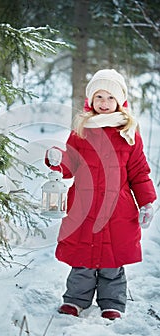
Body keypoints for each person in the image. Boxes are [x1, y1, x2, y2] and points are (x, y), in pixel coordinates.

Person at [45, 69, 157, 320]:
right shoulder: (81, 130)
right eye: (99, 97)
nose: (104, 103)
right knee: (82, 258)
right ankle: (75, 300)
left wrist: (147, 202)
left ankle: (112, 302)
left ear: (120, 101)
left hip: (118, 208)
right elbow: (70, 163)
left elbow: (139, 172)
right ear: (90, 101)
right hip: (83, 207)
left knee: (112, 260)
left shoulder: (129, 133)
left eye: (109, 97)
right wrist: (56, 158)